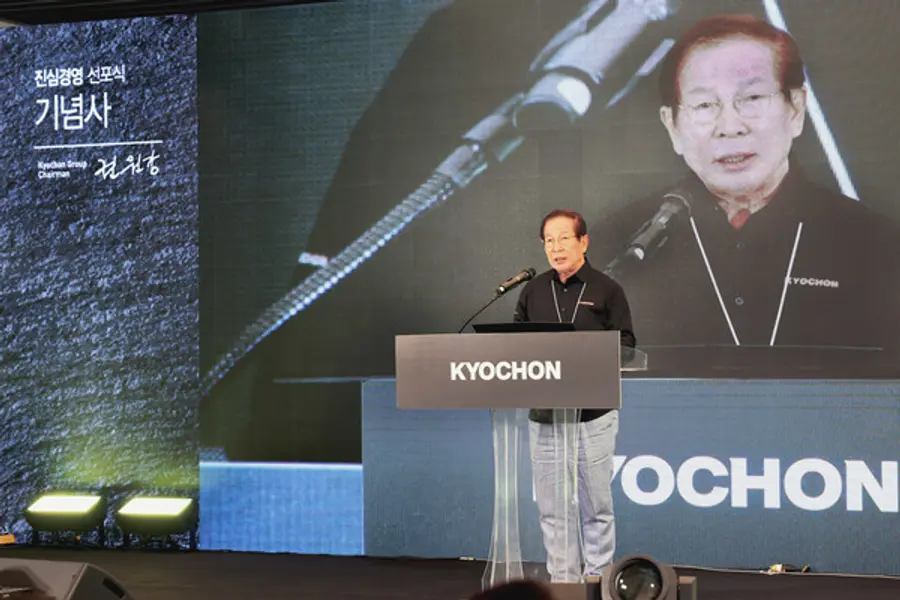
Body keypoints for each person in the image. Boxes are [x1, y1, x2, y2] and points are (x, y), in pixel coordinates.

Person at [588, 14, 900, 379]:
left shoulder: (876, 245)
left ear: (796, 110)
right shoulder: (616, 248)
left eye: (751, 98)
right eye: (704, 105)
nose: (730, 127)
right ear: (672, 126)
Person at [513, 209, 635, 582]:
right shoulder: (532, 291)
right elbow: (514, 345)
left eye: (564, 238)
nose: (556, 247)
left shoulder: (607, 289)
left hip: (593, 414)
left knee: (596, 507)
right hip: (545, 415)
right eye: (549, 241)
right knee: (552, 509)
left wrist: (589, 351)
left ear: (583, 242)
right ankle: (564, 583)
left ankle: (597, 580)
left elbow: (627, 345)